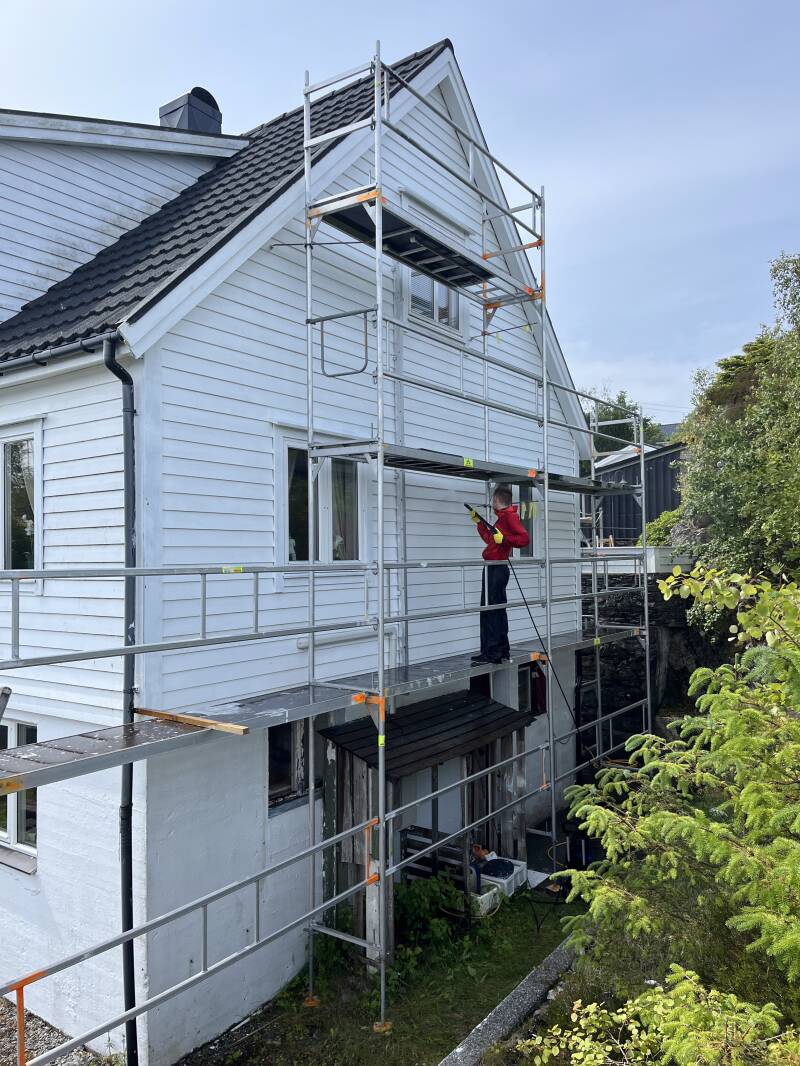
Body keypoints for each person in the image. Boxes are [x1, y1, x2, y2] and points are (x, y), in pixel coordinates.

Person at [469, 486, 530, 665]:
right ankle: (501, 650)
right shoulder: (503, 518)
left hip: (496, 568)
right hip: (495, 568)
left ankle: (492, 652)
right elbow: (491, 540)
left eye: (493, 499)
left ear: (496, 500)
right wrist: (480, 523)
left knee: (491, 609)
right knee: (497, 609)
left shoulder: (509, 517)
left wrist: (504, 539)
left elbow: (524, 539)